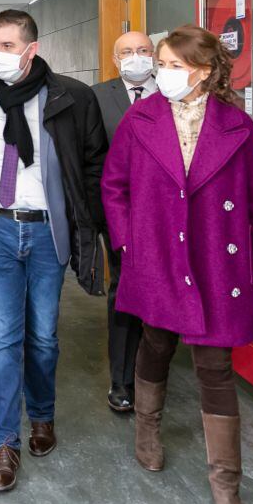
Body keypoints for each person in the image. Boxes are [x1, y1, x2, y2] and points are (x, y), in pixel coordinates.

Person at [101, 24, 253, 504]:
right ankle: (147, 427)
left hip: (217, 263)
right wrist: (131, 244)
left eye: (173, 65)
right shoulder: (140, 118)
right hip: (157, 255)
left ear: (202, 71)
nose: (162, 73)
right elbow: (114, 186)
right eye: (160, 64)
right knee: (155, 343)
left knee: (215, 365)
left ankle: (227, 490)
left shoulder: (237, 127)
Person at [0, 9, 107, 492]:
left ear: (31, 49)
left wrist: (95, 228)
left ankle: (42, 416)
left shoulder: (72, 98)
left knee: (43, 337)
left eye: (7, 46)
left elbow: (94, 164)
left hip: (46, 233)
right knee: (3, 340)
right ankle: (5, 442)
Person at [91, 30, 159, 413]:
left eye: (143, 50)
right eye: (127, 52)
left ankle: (155, 369)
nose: (137, 57)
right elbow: (94, 157)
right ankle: (122, 379)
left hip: (168, 214)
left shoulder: (171, 91)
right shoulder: (99, 97)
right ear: (116, 59)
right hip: (120, 212)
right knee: (125, 288)